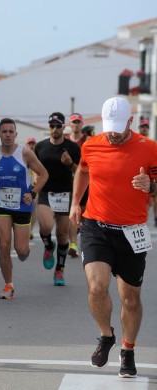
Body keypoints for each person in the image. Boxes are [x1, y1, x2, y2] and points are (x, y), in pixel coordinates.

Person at [70, 96, 157, 378]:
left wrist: (151, 186)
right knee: (97, 288)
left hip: (133, 231)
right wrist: (75, 202)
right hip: (97, 226)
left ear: (131, 121)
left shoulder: (149, 148)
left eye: (119, 127)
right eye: (110, 128)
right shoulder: (91, 145)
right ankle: (105, 335)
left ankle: (127, 350)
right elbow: (83, 172)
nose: (114, 133)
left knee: (130, 299)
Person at [0, 120, 48, 299]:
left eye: (11, 131)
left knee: (21, 250)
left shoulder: (24, 153)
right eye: (4, 132)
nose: (8, 135)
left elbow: (44, 174)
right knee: (3, 245)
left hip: (23, 205)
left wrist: (32, 193)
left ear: (15, 134)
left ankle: (24, 250)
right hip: (1, 204)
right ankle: (8, 285)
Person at [35, 112, 81, 286]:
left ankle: (59, 271)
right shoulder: (40, 147)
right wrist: (34, 179)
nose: (55, 129)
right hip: (46, 192)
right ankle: (48, 246)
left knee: (62, 235)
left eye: (58, 126)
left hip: (65, 194)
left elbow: (80, 173)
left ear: (64, 127)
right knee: (46, 225)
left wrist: (70, 164)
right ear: (49, 127)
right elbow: (34, 168)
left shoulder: (73, 148)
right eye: (52, 126)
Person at [65, 113, 89, 258]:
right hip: (69, 182)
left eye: (78, 121)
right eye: (74, 122)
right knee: (74, 211)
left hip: (86, 181)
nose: (76, 124)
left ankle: (83, 239)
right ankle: (73, 243)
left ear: (82, 124)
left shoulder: (87, 141)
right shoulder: (66, 142)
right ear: (70, 124)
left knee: (85, 212)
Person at [138, 118, 157, 227]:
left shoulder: (152, 143)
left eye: (146, 127)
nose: (145, 129)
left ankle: (154, 218)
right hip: (138, 173)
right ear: (139, 127)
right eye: (143, 126)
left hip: (150, 174)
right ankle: (140, 219)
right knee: (142, 200)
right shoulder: (135, 140)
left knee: (153, 198)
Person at [25, 137, 38, 239]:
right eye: (29, 143)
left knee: (32, 207)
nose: (31, 145)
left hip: (34, 186)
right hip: (23, 186)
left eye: (33, 143)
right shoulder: (22, 156)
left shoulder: (38, 156)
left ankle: (30, 230)